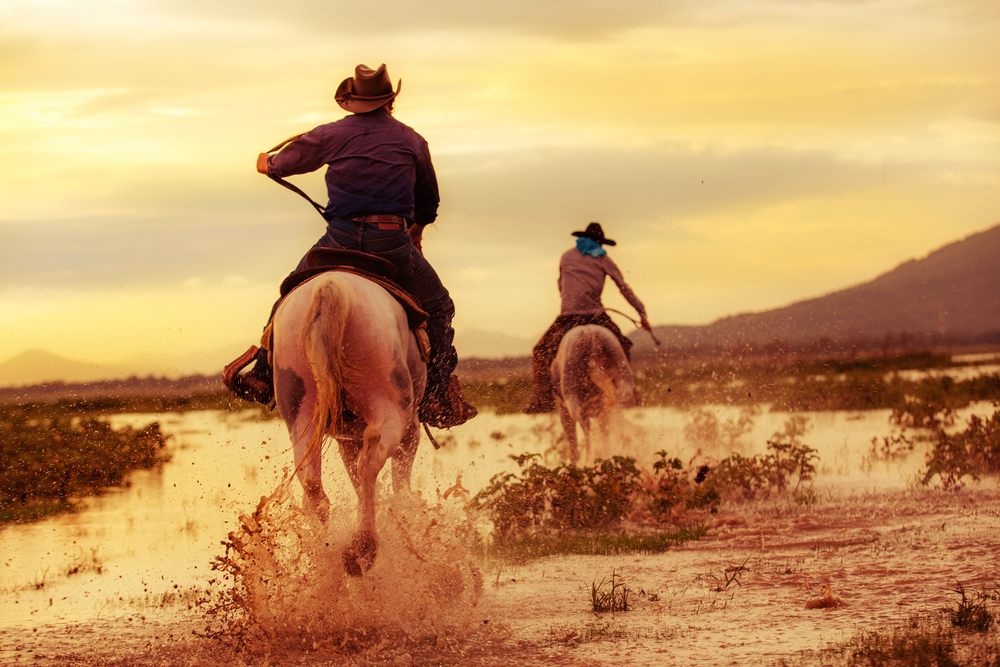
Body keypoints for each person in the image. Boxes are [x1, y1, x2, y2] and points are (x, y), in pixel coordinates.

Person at [224, 63, 476, 429]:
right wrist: (415, 229)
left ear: (352, 101)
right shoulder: (411, 140)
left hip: (338, 240)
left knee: (287, 296)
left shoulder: (330, 134)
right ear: (391, 100)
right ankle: (436, 393)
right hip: (391, 242)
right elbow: (429, 205)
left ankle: (263, 373)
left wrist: (267, 162)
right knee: (439, 307)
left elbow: (281, 164)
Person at [523, 222, 651, 414]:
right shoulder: (603, 258)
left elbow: (561, 285)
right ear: (599, 242)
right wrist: (642, 314)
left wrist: (570, 301)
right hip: (597, 316)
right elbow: (624, 288)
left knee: (540, 351)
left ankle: (542, 398)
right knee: (623, 346)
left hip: (568, 316)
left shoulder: (566, 257)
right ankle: (629, 392)